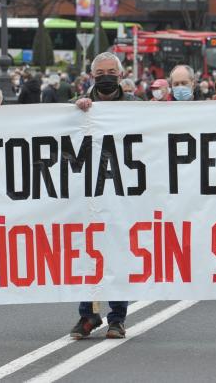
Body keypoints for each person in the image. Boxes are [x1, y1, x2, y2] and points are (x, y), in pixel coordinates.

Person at [71, 52, 137, 339]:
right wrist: (77, 112)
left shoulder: (136, 107)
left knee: (118, 252)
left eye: (111, 71)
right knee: (89, 252)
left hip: (122, 192)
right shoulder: (81, 106)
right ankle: (87, 315)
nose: (106, 76)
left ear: (121, 75)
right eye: (100, 73)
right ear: (92, 76)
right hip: (90, 192)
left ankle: (117, 318)